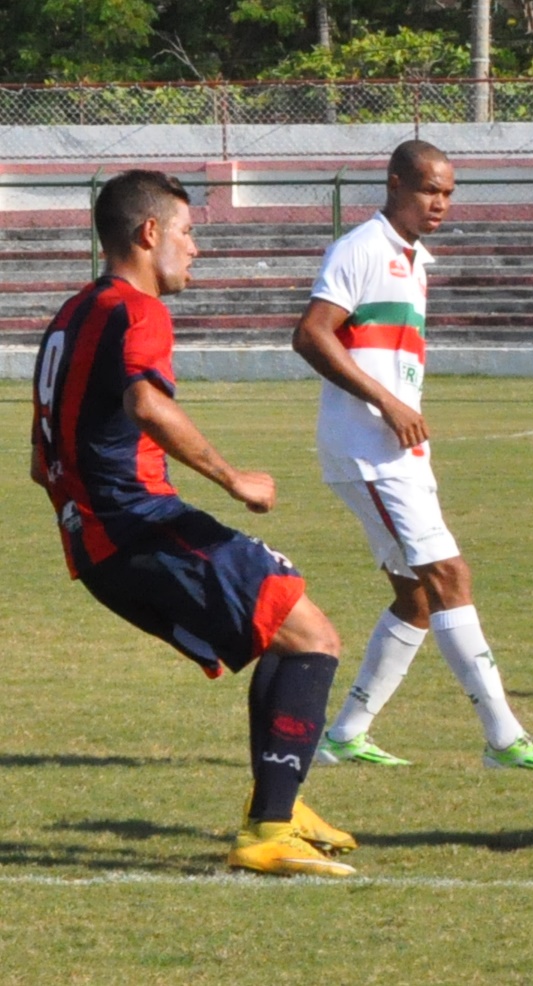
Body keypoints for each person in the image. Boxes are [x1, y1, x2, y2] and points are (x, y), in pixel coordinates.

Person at [30, 170, 356, 877]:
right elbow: (147, 404)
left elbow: (40, 459)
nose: (195, 248)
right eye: (186, 231)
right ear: (149, 234)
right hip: (138, 525)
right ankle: (268, 827)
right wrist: (234, 478)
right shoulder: (137, 310)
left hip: (97, 544)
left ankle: (279, 802)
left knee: (285, 620)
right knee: (314, 638)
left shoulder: (70, 314)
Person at [292, 140, 533, 771]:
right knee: (449, 577)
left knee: (417, 597)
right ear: (395, 183)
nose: (441, 203)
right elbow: (310, 334)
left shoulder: (413, 258)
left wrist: (404, 413)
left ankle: (345, 736)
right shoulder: (362, 248)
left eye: (449, 193)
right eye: (429, 190)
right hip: (369, 452)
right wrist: (388, 404)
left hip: (396, 452)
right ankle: (504, 739)